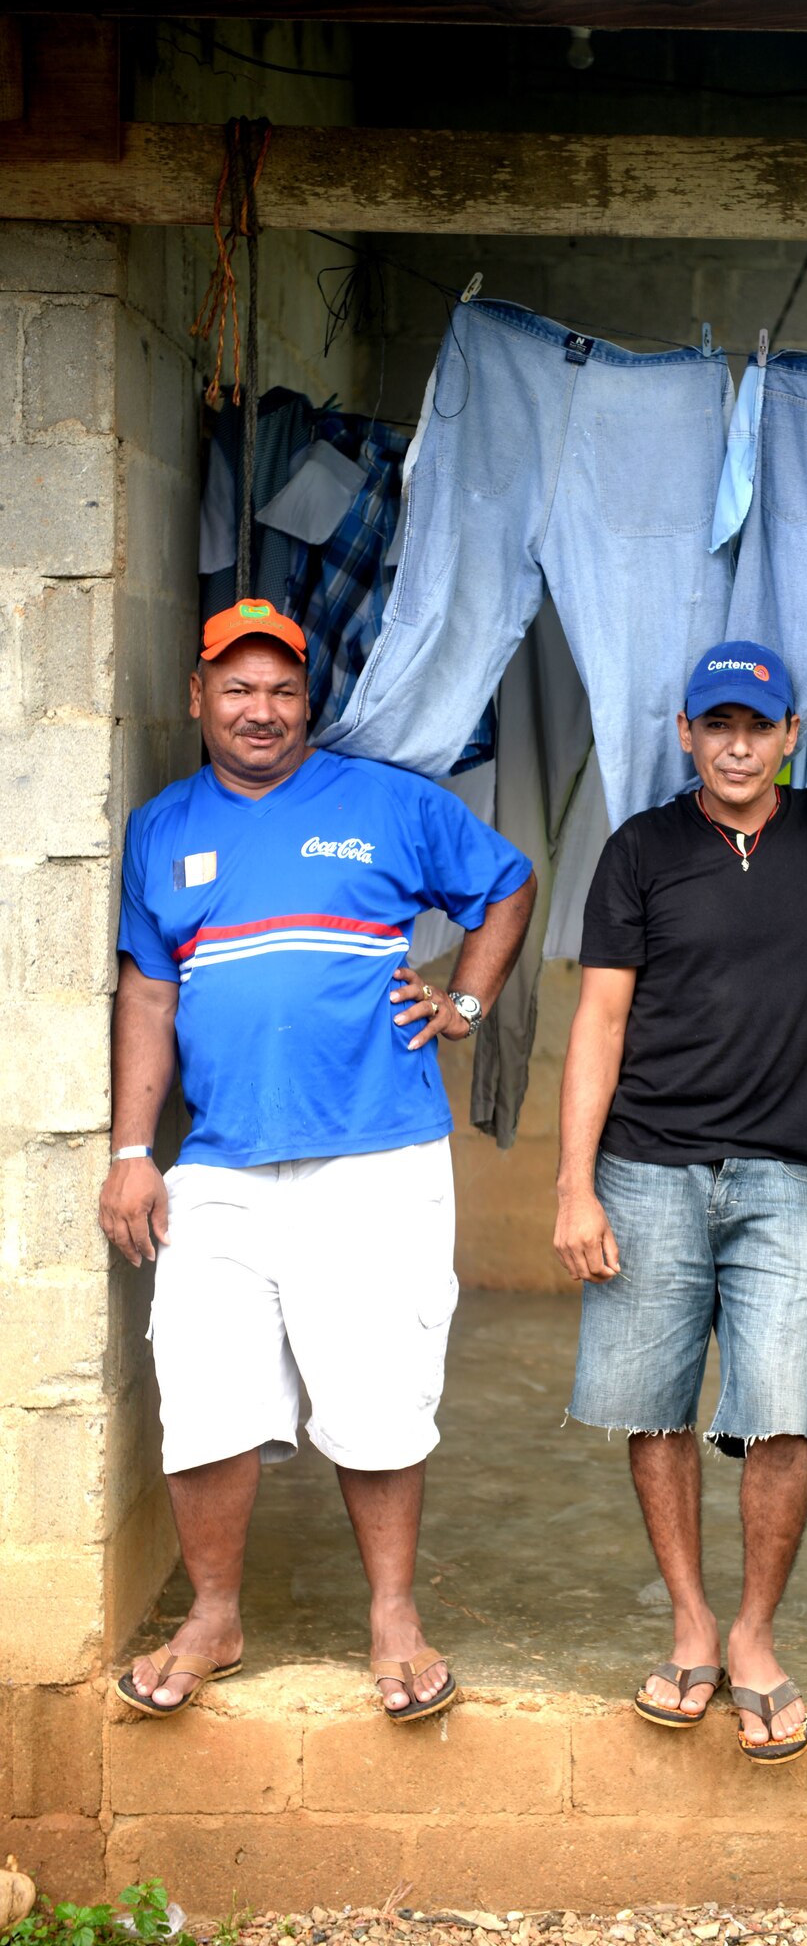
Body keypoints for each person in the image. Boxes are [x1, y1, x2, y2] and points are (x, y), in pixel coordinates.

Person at [100, 599, 536, 1722]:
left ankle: (393, 1614)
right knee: (202, 1386)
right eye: (236, 688)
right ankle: (213, 1611)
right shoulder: (160, 828)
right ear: (197, 698)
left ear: (310, 701)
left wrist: (467, 998)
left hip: (377, 1151)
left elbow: (506, 881)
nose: (261, 710)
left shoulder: (386, 803)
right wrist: (131, 1151)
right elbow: (148, 992)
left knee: (378, 1382)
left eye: (282, 689)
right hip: (222, 1158)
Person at [553, 642, 807, 1765]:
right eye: (714, 723)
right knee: (654, 1405)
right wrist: (574, 1182)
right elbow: (598, 1025)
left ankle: (754, 1632)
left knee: (779, 1411)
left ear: (788, 735)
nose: (735, 743)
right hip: (645, 1166)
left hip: (779, 1180)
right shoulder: (640, 851)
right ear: (685, 733)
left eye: (755, 725)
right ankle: (688, 1619)